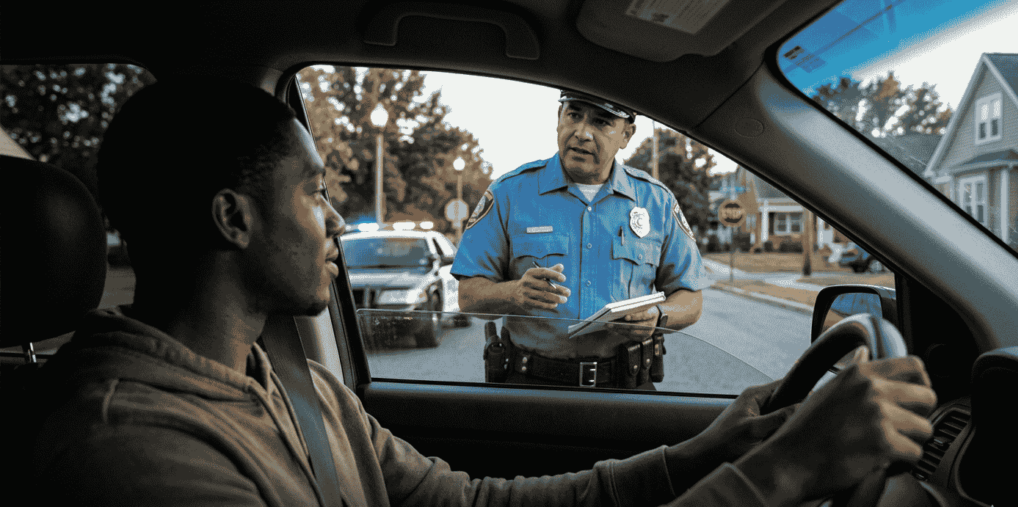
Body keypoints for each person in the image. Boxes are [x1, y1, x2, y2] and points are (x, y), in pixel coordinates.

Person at [28, 80, 937, 507]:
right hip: (535, 366)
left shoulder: (291, 383)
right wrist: (776, 475)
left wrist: (707, 451)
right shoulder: (130, 451)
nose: (337, 221)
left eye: (597, 117)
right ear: (234, 218)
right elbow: (468, 292)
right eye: (313, 193)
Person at [453, 90, 709, 389]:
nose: (582, 133)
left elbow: (690, 299)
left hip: (627, 387)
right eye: (574, 115)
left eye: (601, 122)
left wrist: (658, 316)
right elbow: (468, 296)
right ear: (558, 119)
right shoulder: (509, 193)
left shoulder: (656, 201)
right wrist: (514, 293)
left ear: (626, 135)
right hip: (530, 387)